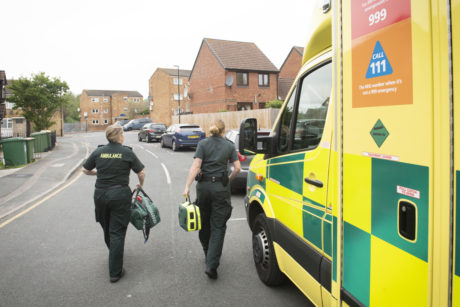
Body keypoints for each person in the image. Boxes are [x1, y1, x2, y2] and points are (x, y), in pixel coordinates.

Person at [82, 124, 145, 283]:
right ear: (120, 136)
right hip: (120, 195)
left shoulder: (98, 151)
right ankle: (115, 272)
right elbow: (141, 172)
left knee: (107, 227)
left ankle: (114, 253)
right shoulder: (127, 152)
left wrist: (98, 173)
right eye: (123, 133)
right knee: (117, 231)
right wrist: (140, 185)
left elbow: (85, 170)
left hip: (101, 195)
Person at [183, 119, 241, 280]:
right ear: (224, 131)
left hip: (203, 188)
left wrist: (187, 186)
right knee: (218, 225)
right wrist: (228, 180)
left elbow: (196, 167)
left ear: (210, 130)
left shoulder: (202, 144)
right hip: (220, 189)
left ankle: (208, 252)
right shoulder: (229, 145)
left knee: (204, 221)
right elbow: (237, 168)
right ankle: (211, 265)